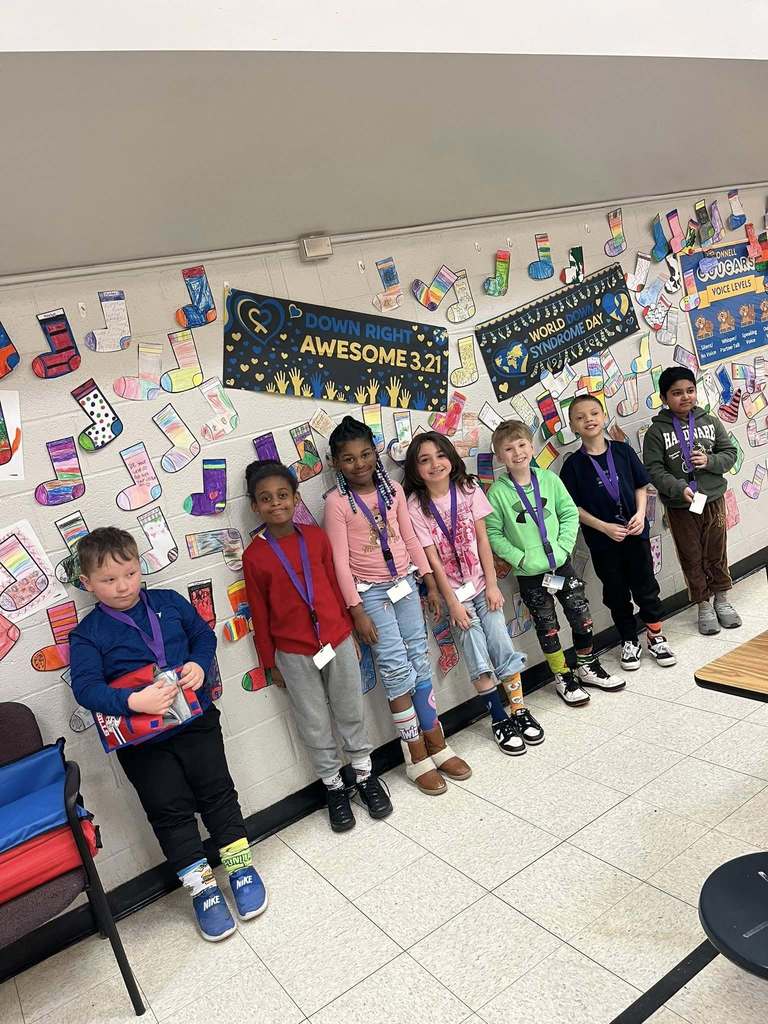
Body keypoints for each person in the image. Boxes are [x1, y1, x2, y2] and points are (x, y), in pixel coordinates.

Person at [69, 527, 266, 942]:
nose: (122, 586)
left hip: (196, 722)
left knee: (218, 793)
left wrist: (198, 662)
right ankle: (202, 890)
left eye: (129, 572)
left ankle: (240, 867)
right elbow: (85, 688)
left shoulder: (168, 602)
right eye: (108, 579)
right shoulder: (87, 634)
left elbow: (202, 634)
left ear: (140, 566)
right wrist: (132, 702)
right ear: (87, 583)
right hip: (143, 744)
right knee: (169, 811)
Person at [242, 458, 392, 832]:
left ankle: (364, 775)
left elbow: (335, 587)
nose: (275, 503)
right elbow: (259, 615)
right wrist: (269, 662)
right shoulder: (255, 556)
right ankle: (333, 786)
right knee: (313, 721)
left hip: (337, 640)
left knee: (349, 709)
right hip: (292, 653)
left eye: (282, 495)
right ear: (254, 506)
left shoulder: (316, 537)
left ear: (295, 498)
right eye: (265, 498)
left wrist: (352, 630)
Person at [325, 415, 471, 795]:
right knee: (393, 666)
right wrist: (355, 609)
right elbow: (339, 561)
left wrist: (428, 581)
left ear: (375, 453)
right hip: (370, 593)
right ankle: (415, 755)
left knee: (419, 658)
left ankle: (436, 741)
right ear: (335, 463)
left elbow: (408, 535)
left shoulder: (392, 488)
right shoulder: (337, 502)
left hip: (406, 583)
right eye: (348, 458)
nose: (359, 463)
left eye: (365, 454)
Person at [402, 431, 543, 755]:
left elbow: (483, 541)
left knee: (500, 642)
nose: (435, 464)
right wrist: (453, 603)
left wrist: (492, 585)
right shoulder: (416, 506)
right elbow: (432, 559)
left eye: (440, 455)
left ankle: (519, 711)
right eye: (425, 460)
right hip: (455, 594)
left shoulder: (467, 489)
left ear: (451, 457)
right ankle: (497, 717)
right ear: (415, 468)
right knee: (476, 651)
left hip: (482, 583)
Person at [486, 419, 625, 707]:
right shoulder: (497, 493)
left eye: (522, 445)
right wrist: (520, 558)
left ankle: (586, 665)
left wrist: (563, 548)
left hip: (561, 566)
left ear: (532, 446)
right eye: (508, 449)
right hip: (530, 574)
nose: (517, 453)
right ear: (499, 457)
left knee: (581, 616)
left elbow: (569, 513)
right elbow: (493, 533)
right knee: (547, 627)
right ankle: (562, 675)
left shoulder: (548, 480)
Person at [560, 395, 677, 671]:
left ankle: (655, 635)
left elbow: (641, 486)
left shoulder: (623, 452)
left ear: (603, 416)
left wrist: (639, 514)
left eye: (593, 413)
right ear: (573, 426)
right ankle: (628, 639)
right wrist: (603, 527)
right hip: (604, 541)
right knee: (616, 593)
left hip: (636, 533)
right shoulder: (573, 465)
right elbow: (572, 508)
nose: (588, 419)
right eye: (580, 417)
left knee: (645, 585)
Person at [642, 366, 741, 635]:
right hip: (681, 506)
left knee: (716, 551)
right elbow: (653, 469)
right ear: (664, 398)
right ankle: (703, 604)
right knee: (692, 555)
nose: (685, 397)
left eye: (690, 390)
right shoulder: (656, 433)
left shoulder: (710, 421)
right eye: (676, 393)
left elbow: (730, 453)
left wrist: (710, 461)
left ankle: (721, 598)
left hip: (713, 499)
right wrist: (677, 487)